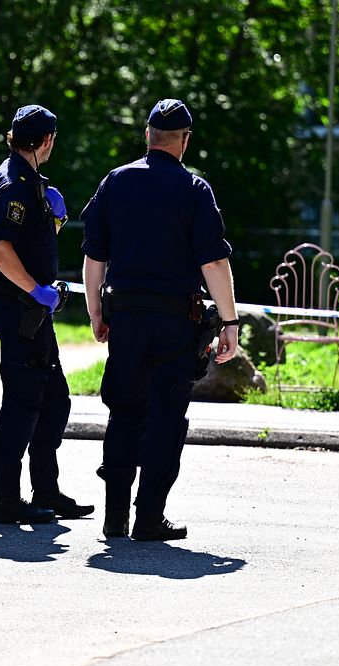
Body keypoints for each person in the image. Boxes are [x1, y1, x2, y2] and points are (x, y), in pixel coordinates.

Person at [81, 98, 240, 541]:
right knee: (167, 417)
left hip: (127, 319)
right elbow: (214, 262)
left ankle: (114, 517)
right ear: (184, 140)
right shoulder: (194, 189)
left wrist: (95, 312)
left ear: (147, 135)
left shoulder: (115, 181)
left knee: (124, 412)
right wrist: (230, 323)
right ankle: (149, 517)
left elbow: (94, 257)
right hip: (175, 323)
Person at [0, 104, 93, 525]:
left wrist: (54, 220)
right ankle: (6, 499)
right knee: (22, 403)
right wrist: (36, 290)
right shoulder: (13, 183)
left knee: (54, 400)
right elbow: (0, 249)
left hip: (33, 310)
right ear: (46, 140)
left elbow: (28, 239)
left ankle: (45, 491)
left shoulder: (28, 182)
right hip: (19, 307)